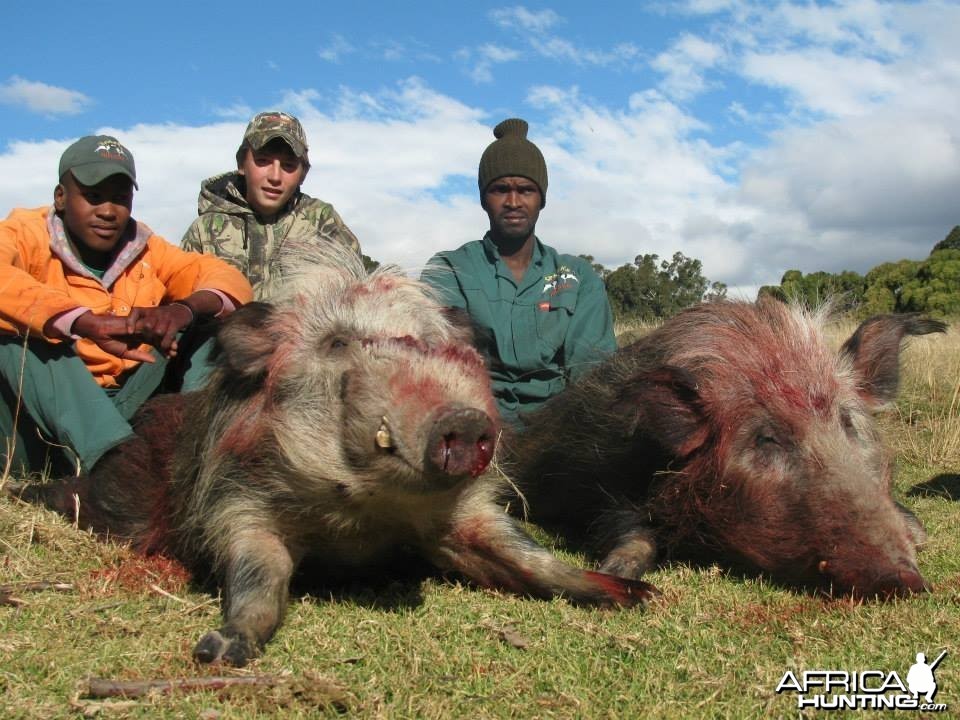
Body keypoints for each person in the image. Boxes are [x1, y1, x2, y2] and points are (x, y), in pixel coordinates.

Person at [0, 135, 253, 478]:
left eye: (120, 199)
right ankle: (120, 475)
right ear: (61, 197)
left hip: (123, 408)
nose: (107, 211)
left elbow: (227, 278)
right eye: (93, 197)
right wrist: (83, 322)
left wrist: (182, 310)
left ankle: (199, 454)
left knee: (210, 325)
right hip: (34, 427)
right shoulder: (24, 234)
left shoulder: (147, 249)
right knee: (16, 331)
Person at [422, 118, 616, 427]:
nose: (513, 202)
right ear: (484, 199)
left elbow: (591, 373)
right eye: (500, 190)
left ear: (542, 199)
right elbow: (445, 367)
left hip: (556, 432)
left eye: (525, 190)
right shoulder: (449, 270)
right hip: (475, 426)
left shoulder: (577, 278)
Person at [181, 110, 360, 299]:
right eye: (263, 161)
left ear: (303, 174)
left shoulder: (323, 222)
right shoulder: (204, 230)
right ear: (242, 164)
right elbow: (181, 302)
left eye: (288, 165)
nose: (275, 177)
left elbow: (354, 296)